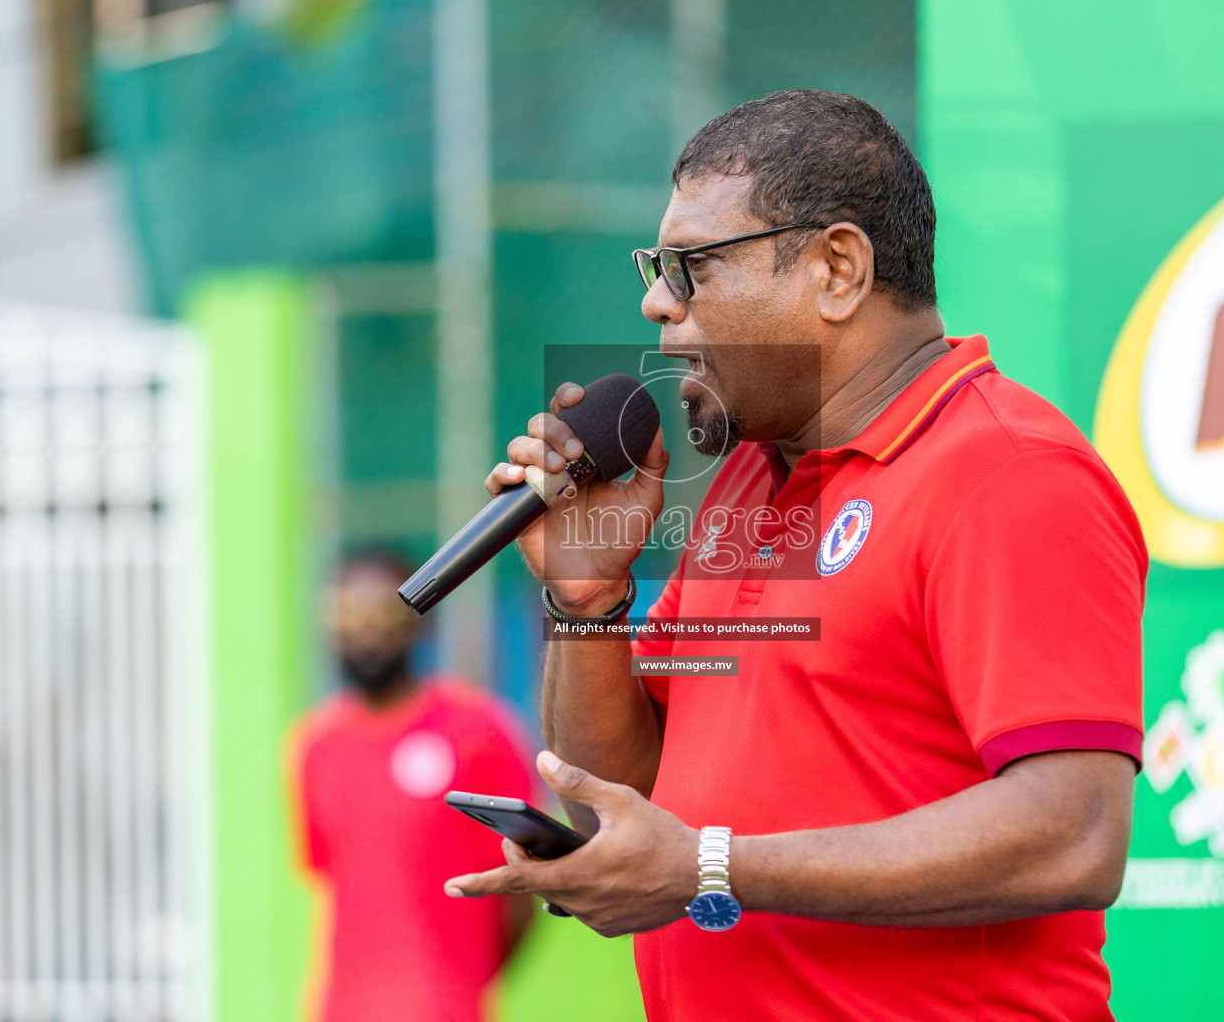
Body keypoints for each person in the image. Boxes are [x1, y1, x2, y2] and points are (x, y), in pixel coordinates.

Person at [446, 90, 1147, 1021]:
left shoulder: (1007, 474)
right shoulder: (745, 479)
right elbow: (627, 801)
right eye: (657, 267)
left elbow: (1073, 834)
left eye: (691, 268)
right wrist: (588, 600)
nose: (656, 302)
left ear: (838, 269)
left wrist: (708, 867)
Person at [290, 552, 535, 1022]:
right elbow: (335, 892)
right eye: (346, 615)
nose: (364, 632)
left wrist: (461, 980)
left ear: (419, 620)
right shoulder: (315, 747)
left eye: (381, 613)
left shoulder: (479, 734)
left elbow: (521, 887)